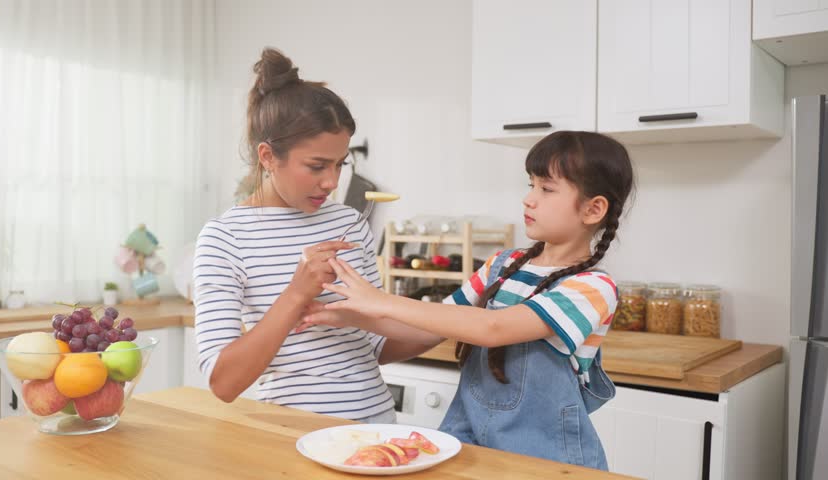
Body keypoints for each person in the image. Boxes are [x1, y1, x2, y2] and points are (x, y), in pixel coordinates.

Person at [299, 130, 634, 469]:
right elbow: (429, 328)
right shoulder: (500, 265)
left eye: (546, 189)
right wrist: (349, 315)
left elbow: (493, 328)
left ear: (593, 210)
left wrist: (380, 300)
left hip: (547, 461)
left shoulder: (593, 287)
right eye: (530, 185)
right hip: (469, 447)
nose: (529, 199)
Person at [192, 48, 435, 422]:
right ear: (268, 157)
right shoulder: (225, 239)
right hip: (294, 440)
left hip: (378, 433)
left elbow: (376, 343)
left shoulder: (349, 223)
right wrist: (296, 293)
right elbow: (223, 382)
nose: (332, 181)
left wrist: (458, 317)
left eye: (340, 164)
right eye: (316, 166)